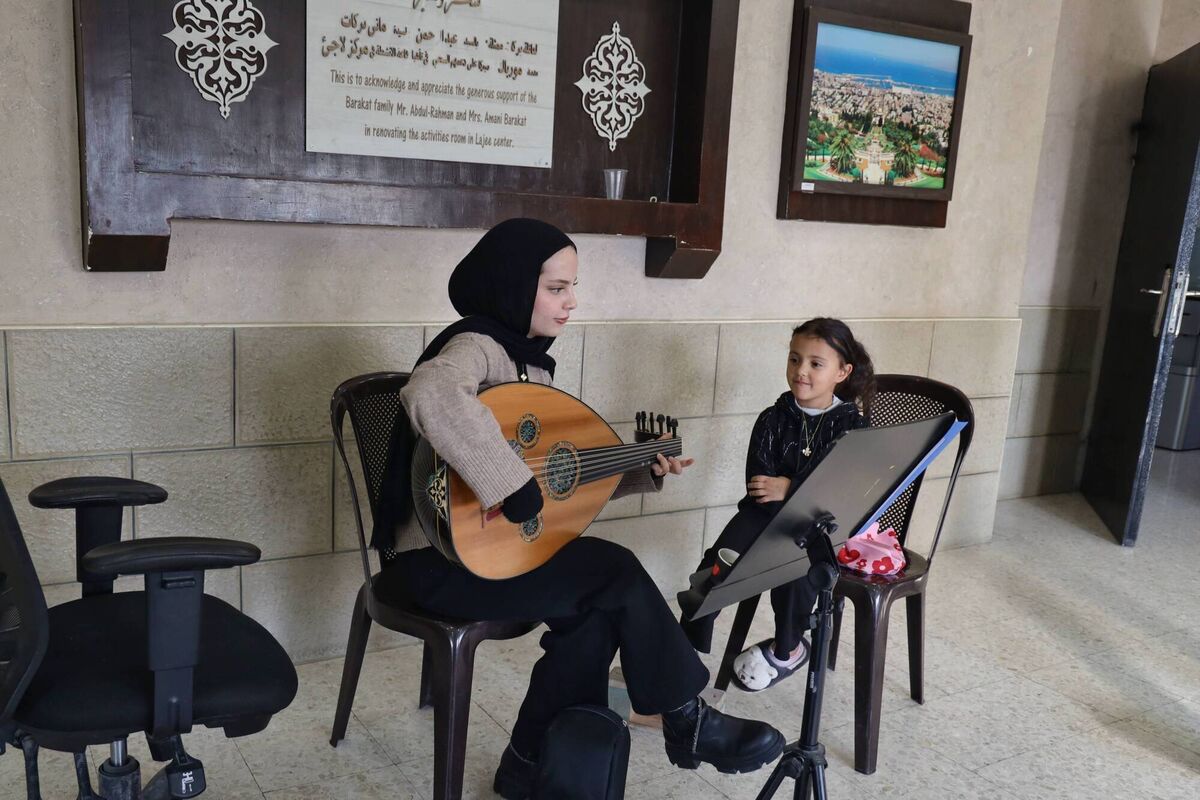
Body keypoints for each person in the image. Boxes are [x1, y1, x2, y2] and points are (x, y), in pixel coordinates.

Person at [372, 219, 785, 799]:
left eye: (573, 287)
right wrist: (506, 480)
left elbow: (555, 484)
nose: (572, 302)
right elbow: (428, 393)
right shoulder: (477, 346)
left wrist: (641, 468)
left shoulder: (534, 367)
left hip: (493, 555)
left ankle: (525, 763)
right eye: (557, 288)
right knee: (612, 569)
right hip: (434, 565)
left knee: (595, 613)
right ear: (516, 286)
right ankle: (686, 720)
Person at [680, 318, 875, 692]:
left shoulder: (853, 428)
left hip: (819, 526)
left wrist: (791, 487)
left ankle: (787, 650)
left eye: (816, 364)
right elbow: (759, 484)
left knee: (794, 574)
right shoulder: (773, 418)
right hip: (761, 516)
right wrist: (791, 492)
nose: (801, 371)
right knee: (715, 567)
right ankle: (683, 652)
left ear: (842, 372)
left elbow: (841, 491)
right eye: (794, 359)